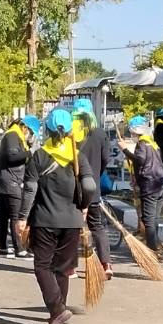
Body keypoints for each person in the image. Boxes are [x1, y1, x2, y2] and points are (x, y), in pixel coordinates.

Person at [17, 107, 95, 324]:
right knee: (62, 268)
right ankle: (60, 307)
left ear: (48, 130)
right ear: (70, 130)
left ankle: (57, 309)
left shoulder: (39, 156)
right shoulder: (77, 156)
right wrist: (84, 205)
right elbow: (90, 186)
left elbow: (30, 189)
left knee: (42, 266)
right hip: (72, 222)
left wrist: (22, 217)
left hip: (45, 220)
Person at [71, 99, 113, 278]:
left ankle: (70, 267)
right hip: (93, 188)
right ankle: (106, 264)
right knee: (97, 226)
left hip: (72, 189)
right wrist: (96, 173)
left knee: (72, 228)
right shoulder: (100, 134)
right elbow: (106, 159)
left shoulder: (70, 133)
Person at [0, 114, 40, 258]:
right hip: (10, 181)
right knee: (15, 216)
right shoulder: (13, 136)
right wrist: (30, 152)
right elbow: (12, 157)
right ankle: (19, 249)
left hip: (6, 179)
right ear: (25, 127)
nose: (30, 136)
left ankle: (3, 248)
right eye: (30, 132)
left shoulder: (15, 135)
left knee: (4, 216)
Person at [121, 115, 163, 253]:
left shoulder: (142, 143)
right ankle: (156, 245)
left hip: (150, 186)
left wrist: (124, 150)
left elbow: (140, 160)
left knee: (148, 220)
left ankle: (152, 251)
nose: (132, 136)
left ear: (136, 131)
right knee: (154, 218)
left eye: (132, 133)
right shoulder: (154, 143)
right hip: (161, 184)